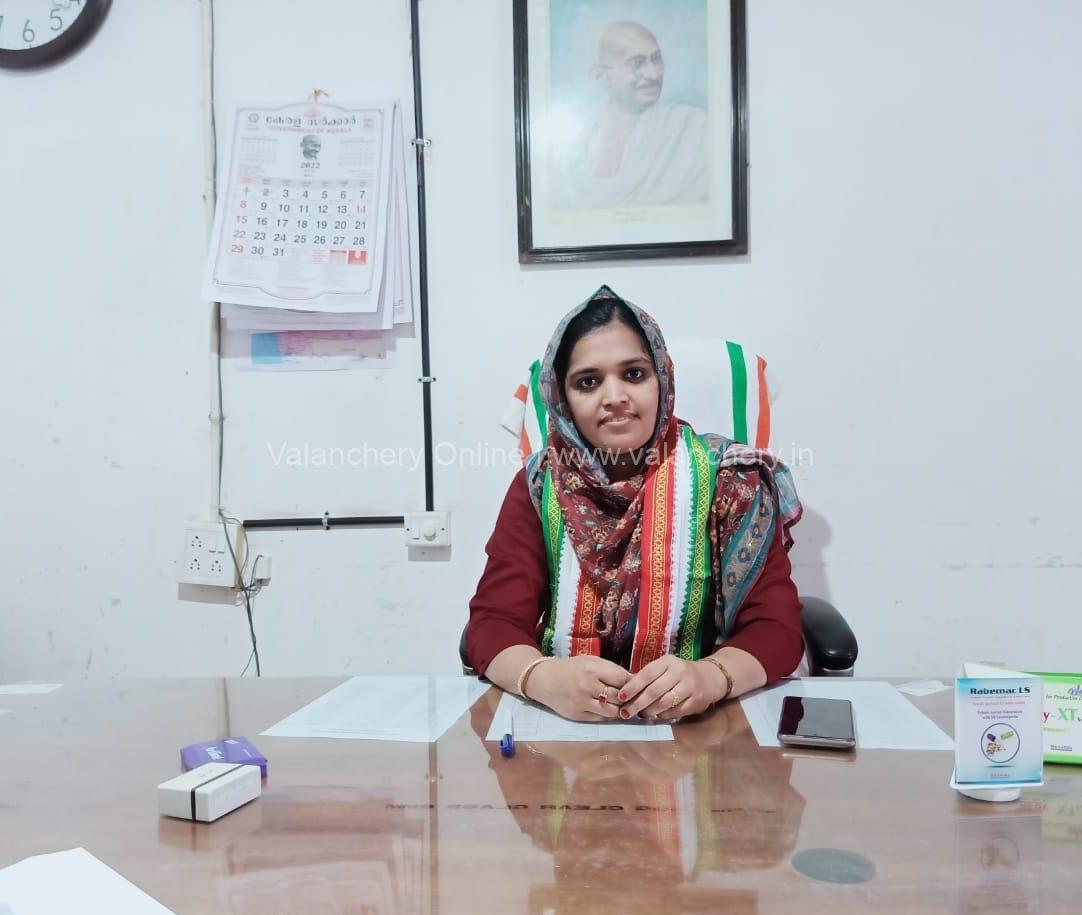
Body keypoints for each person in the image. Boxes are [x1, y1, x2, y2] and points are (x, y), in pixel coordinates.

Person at [467, 286, 803, 723]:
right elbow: (492, 622)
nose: (614, 397)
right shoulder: (540, 483)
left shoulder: (730, 478)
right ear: (562, 399)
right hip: (564, 726)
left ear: (662, 378)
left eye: (634, 374)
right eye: (588, 382)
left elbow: (776, 627)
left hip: (698, 726)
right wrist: (541, 678)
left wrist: (711, 677)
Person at [550, 21, 708, 208]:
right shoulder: (574, 144)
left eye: (657, 59)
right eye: (637, 63)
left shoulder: (694, 127)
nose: (654, 74)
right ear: (600, 76)